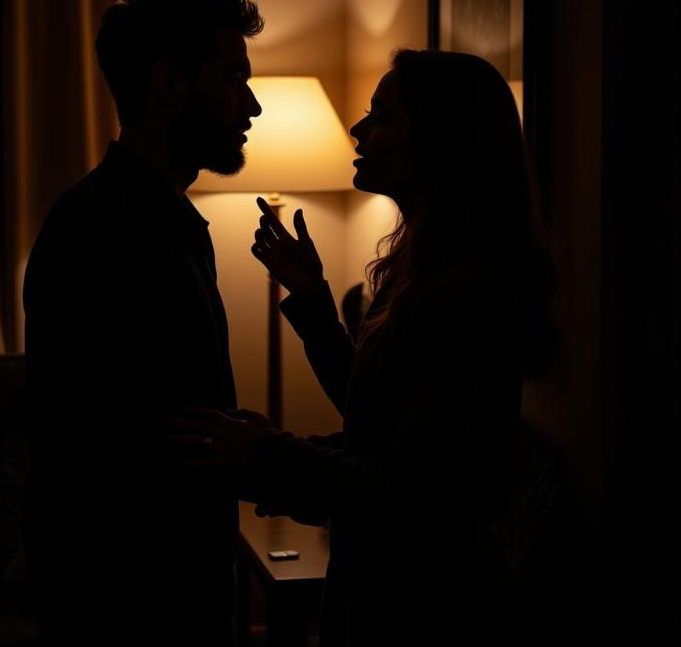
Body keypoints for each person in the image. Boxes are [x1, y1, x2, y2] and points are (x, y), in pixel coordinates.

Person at [170, 49, 556, 645]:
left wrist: (268, 454)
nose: (358, 130)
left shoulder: (466, 292)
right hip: (392, 592)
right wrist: (313, 300)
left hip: (427, 613)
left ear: (438, 140)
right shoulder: (417, 270)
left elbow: (406, 487)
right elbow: (376, 417)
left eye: (382, 116)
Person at [22, 0, 263, 646]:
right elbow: (129, 452)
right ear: (169, 82)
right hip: (137, 605)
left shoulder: (155, 221)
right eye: (233, 78)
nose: (253, 104)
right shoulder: (105, 233)